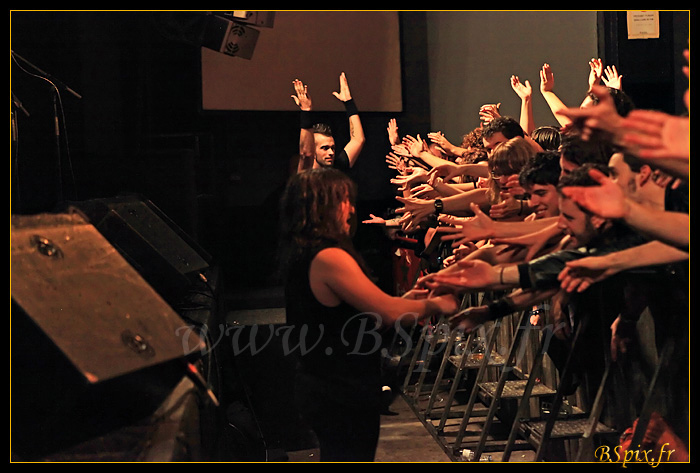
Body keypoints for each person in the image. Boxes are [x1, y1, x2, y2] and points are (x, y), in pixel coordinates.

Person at [279, 168, 458, 462]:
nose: (351, 209)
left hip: (331, 386)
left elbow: (370, 314)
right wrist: (440, 302)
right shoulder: (328, 256)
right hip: (338, 388)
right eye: (342, 201)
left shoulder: (307, 251)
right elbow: (387, 311)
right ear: (319, 206)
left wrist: (413, 300)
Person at [292, 72, 365, 173]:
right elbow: (306, 154)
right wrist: (306, 111)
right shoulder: (306, 175)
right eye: (325, 148)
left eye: (333, 148)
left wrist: (348, 102)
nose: (331, 152)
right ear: (313, 151)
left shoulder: (337, 167)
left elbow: (358, 139)